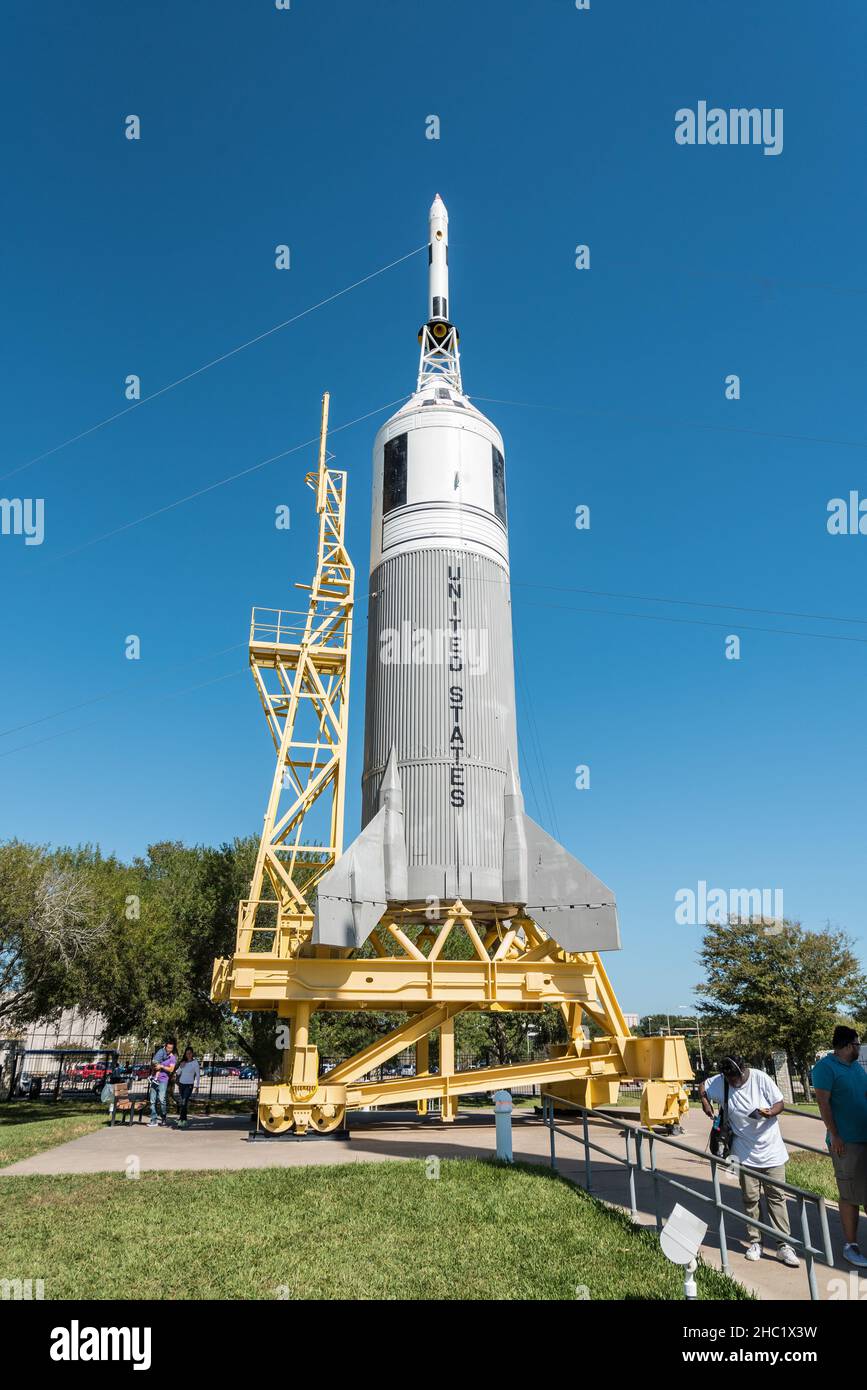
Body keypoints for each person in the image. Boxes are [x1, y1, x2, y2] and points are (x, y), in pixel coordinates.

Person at [700, 1054, 799, 1267]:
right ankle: (756, 1241)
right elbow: (703, 1086)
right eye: (730, 1079)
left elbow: (779, 1103)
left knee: (777, 1198)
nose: (735, 1082)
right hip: (743, 1154)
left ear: (743, 1070)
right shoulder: (721, 1082)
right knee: (750, 1199)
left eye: (737, 1077)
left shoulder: (760, 1078)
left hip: (771, 1152)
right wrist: (705, 1101)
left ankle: (784, 1245)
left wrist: (770, 1112)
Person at [811, 1026, 867, 1269]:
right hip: (846, 1141)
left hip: (864, 1138)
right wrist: (835, 1135)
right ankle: (850, 1245)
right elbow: (823, 1104)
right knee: (850, 1194)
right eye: (857, 1044)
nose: (859, 1048)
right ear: (846, 1046)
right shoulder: (825, 1068)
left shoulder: (855, 1067)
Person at [148, 1037, 177, 1127]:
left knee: (162, 1100)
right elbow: (153, 1064)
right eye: (168, 1048)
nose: (169, 1050)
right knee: (152, 1101)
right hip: (154, 1079)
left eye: (171, 1048)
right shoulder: (160, 1052)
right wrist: (155, 1067)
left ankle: (163, 1117)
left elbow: (171, 1069)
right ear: (165, 1046)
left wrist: (161, 1066)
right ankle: (153, 1120)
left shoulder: (172, 1058)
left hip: (163, 1080)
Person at [174, 1046, 200, 1129]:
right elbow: (177, 1073)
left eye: (190, 1053)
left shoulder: (195, 1062)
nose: (188, 1055)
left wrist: (197, 1086)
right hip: (181, 1084)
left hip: (189, 1085)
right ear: (185, 1054)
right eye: (187, 1053)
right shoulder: (183, 1062)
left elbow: (198, 1075)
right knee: (183, 1103)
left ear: (192, 1054)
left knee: (184, 1102)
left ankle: (181, 1120)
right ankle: (184, 1120)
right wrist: (181, 1066)